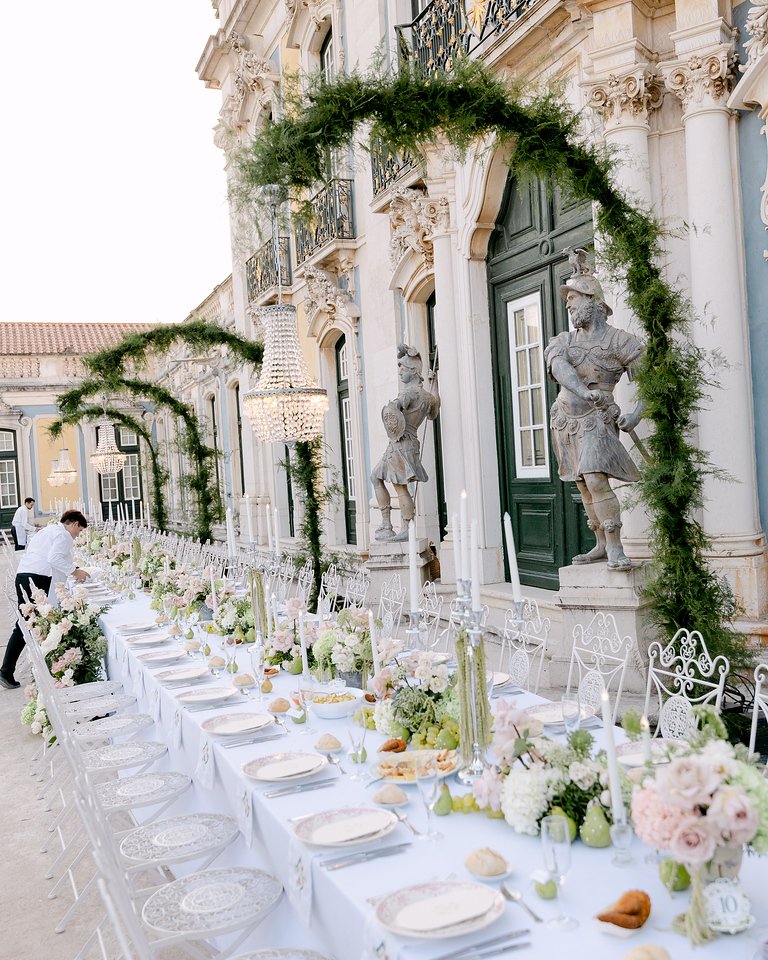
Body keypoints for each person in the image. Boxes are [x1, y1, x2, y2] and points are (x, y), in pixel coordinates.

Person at [544, 249, 643, 571]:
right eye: (568, 302)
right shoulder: (563, 340)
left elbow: (650, 384)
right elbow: (559, 368)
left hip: (600, 419)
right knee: (583, 482)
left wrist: (636, 414)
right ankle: (600, 543)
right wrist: (582, 390)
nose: (569, 306)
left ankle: (615, 545)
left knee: (596, 477)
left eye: (574, 300)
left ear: (593, 301)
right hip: (565, 418)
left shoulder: (623, 342)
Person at [0, 509, 90, 689]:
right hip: (35, 579)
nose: (77, 535)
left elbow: (52, 557)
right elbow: (54, 558)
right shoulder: (64, 535)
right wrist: (75, 571)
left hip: (24, 575)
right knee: (28, 625)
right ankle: (7, 670)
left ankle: (15, 669)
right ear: (73, 524)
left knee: (28, 624)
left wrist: (73, 567)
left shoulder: (49, 530)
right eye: (79, 530)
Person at [371, 343, 441, 541]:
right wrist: (434, 386)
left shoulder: (408, 393)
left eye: (403, 368)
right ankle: (398, 525)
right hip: (412, 442)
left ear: (413, 371)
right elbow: (433, 414)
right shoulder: (427, 397)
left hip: (400, 442)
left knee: (391, 483)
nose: (400, 372)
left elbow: (394, 409)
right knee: (384, 479)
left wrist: (393, 407)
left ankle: (397, 526)